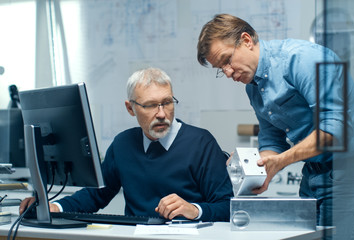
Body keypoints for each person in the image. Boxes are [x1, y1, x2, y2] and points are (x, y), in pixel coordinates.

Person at [197, 14, 354, 239]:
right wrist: (260, 170)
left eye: (227, 60)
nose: (228, 72)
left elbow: (334, 131)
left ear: (247, 40)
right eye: (221, 68)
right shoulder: (253, 87)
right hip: (315, 173)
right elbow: (271, 139)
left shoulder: (304, 59)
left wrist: (281, 161)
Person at [19, 67, 233, 222]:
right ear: (130, 108)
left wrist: (194, 210)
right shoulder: (123, 144)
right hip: (133, 237)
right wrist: (54, 206)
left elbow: (227, 206)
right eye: (150, 106)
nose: (161, 114)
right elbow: (95, 195)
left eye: (167, 103)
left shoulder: (201, 143)